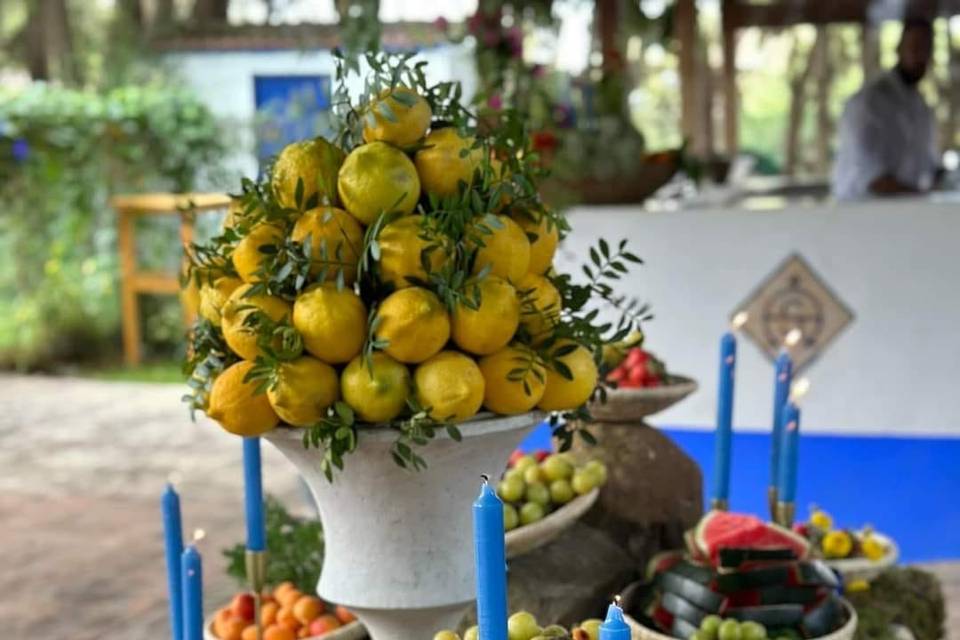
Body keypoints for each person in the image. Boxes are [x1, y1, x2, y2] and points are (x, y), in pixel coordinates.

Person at [832, 17, 939, 200]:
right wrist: (920, 196)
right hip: (860, 213)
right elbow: (872, 177)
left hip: (903, 212)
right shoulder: (870, 101)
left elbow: (927, 166)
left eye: (926, 49)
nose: (920, 56)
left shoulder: (920, 104)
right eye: (915, 47)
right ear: (899, 49)